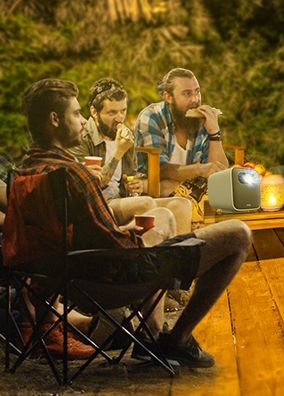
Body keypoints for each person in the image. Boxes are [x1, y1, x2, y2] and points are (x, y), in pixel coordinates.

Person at [7, 78, 251, 368]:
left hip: (66, 276)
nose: (83, 120)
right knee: (238, 234)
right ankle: (175, 340)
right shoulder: (73, 174)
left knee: (160, 217)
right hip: (110, 281)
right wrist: (148, 241)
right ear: (54, 119)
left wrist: (125, 230)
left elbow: (66, 235)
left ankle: (151, 337)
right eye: (76, 113)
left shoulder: (24, 172)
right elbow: (118, 249)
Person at [69, 78, 192, 242]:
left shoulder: (125, 136)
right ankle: (141, 258)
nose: (119, 118)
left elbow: (130, 178)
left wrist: (135, 185)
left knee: (181, 205)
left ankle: (179, 258)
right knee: (145, 204)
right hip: (99, 204)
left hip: (120, 200)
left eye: (122, 111)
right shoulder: (81, 137)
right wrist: (119, 151)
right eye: (112, 113)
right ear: (93, 111)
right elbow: (91, 185)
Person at [134, 68, 228, 197]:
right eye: (187, 94)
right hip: (153, 187)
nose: (195, 99)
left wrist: (214, 133)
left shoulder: (202, 120)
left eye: (197, 92)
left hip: (191, 189)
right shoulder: (151, 117)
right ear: (168, 97)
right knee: (167, 187)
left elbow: (219, 172)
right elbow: (159, 170)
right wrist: (199, 170)